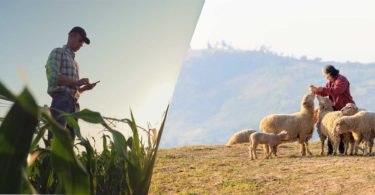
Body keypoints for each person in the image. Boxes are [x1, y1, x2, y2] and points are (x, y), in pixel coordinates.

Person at [45, 26, 97, 140]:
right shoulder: (58, 52)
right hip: (61, 102)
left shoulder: (76, 64)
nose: (81, 44)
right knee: (55, 141)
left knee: (68, 145)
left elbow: (74, 89)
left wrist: (84, 89)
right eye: (80, 40)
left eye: (83, 42)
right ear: (71, 35)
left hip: (74, 105)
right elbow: (53, 77)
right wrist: (77, 82)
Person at [310, 65, 355, 155]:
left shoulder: (342, 79)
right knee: (332, 129)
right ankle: (330, 150)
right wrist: (316, 91)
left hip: (346, 109)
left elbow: (338, 90)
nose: (325, 77)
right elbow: (325, 91)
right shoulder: (330, 83)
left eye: (325, 75)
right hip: (335, 110)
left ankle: (343, 150)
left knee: (344, 130)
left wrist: (323, 89)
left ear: (329, 74)